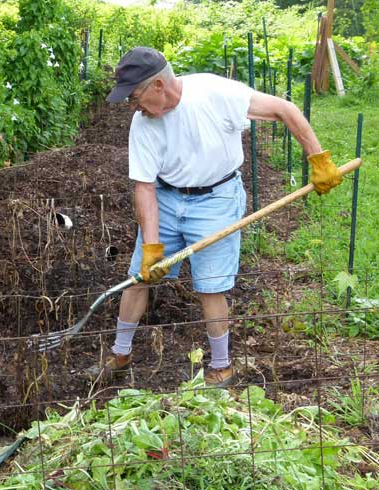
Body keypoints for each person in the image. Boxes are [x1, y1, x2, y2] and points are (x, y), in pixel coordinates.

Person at [100, 46, 343, 387]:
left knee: (210, 286)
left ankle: (222, 366)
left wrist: (318, 159)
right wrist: (153, 246)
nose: (133, 106)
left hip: (217, 199)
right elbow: (145, 189)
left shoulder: (214, 93)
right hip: (167, 199)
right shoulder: (143, 124)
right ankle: (120, 351)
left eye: (135, 97)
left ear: (157, 86)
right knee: (140, 277)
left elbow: (286, 110)